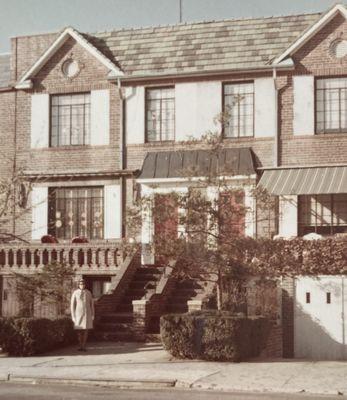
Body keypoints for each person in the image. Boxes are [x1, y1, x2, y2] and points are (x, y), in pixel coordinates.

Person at [70, 279, 94, 351]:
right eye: (80, 284)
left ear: (85, 285)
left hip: (87, 314)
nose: (82, 285)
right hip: (78, 314)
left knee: (86, 330)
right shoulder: (75, 293)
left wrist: (93, 314)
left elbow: (91, 304)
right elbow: (72, 305)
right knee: (79, 331)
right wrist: (73, 316)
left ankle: (84, 346)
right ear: (78, 285)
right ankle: (80, 345)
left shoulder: (88, 293)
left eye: (83, 284)